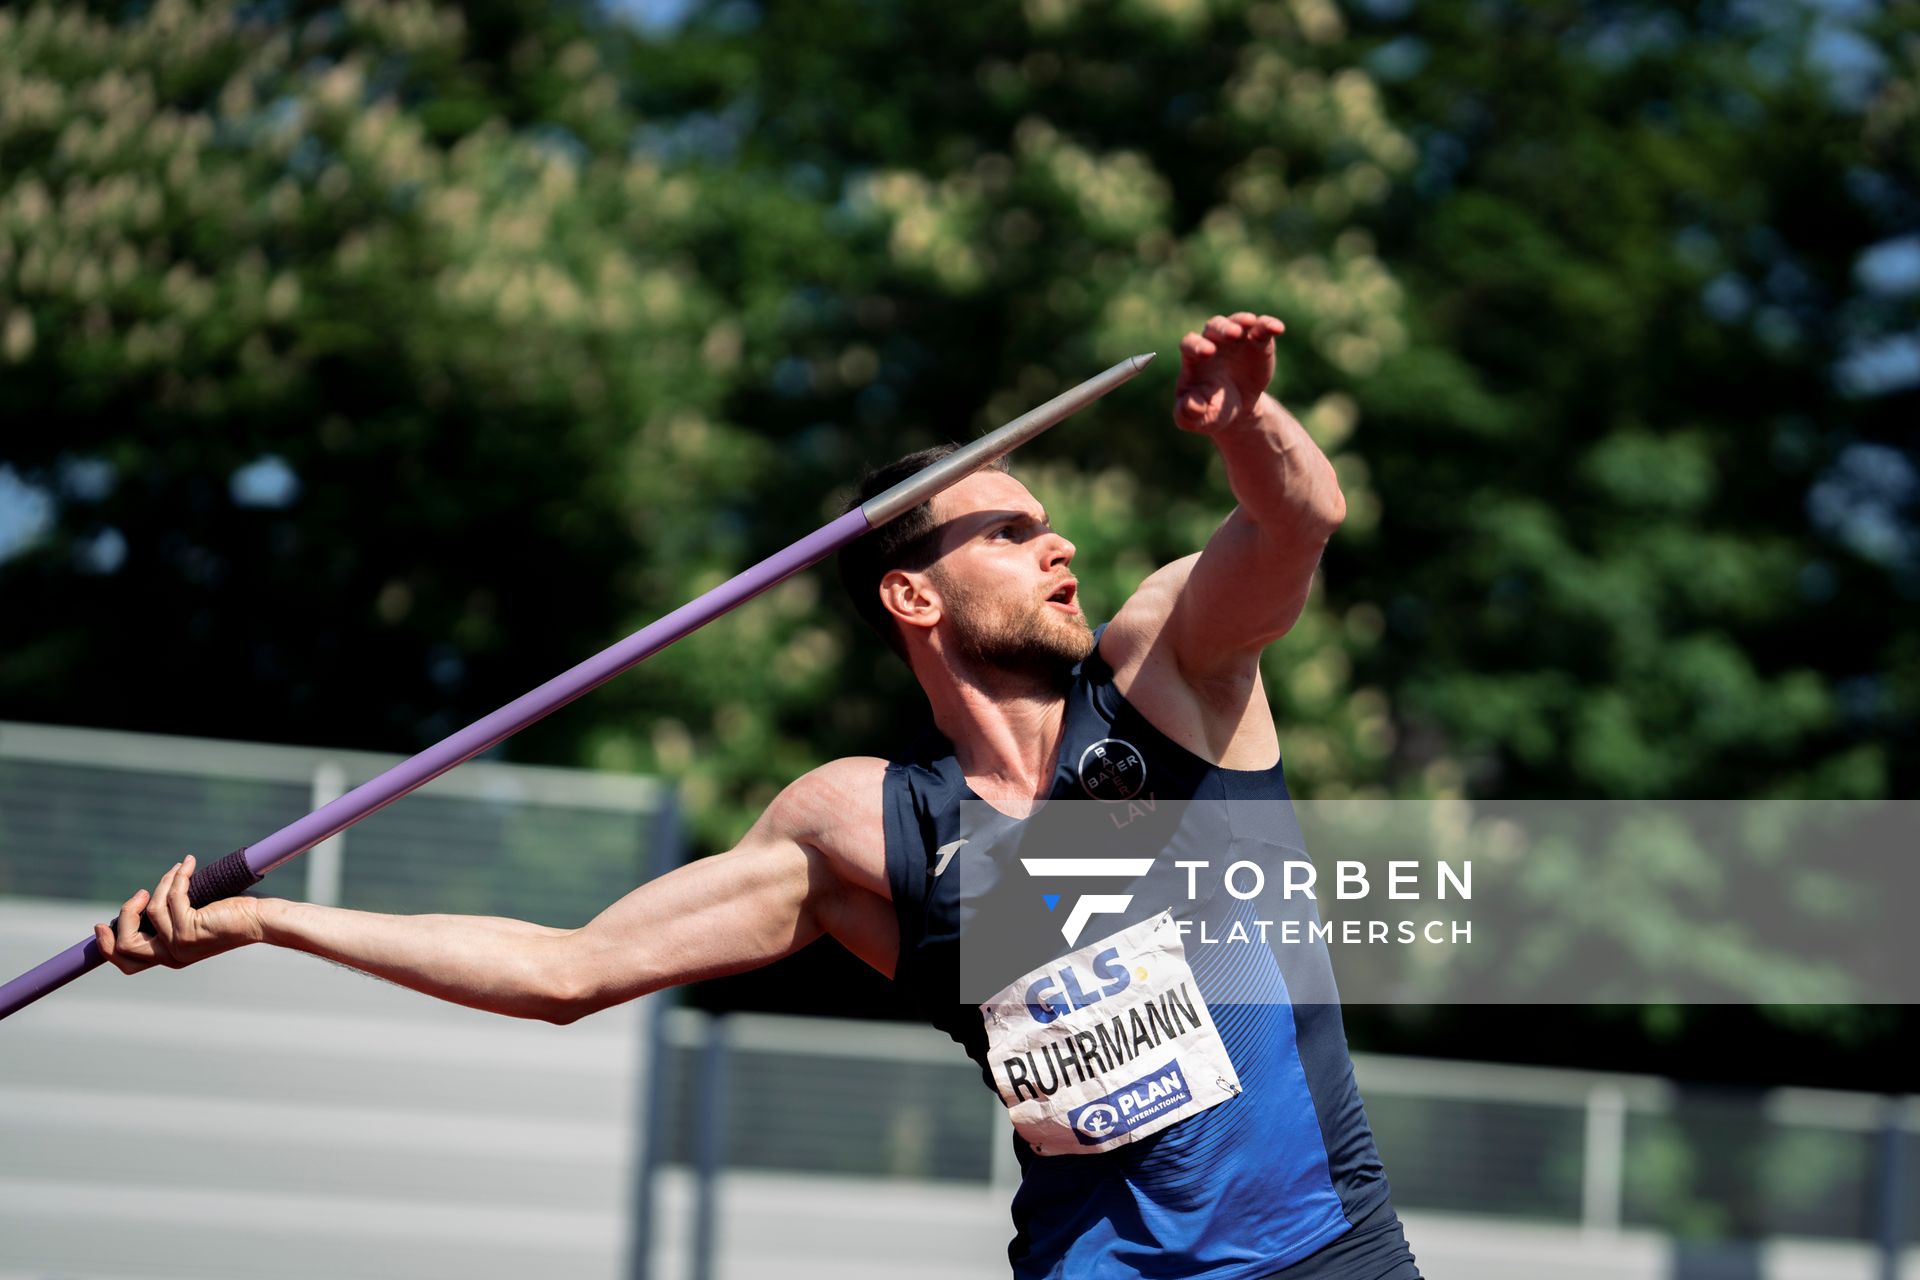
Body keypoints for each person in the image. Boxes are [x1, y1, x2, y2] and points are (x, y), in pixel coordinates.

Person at [97, 312, 1420, 1280]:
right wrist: (276, 924)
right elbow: (569, 970)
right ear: (915, 595)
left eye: (1047, 519)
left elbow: (1295, 523)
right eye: (1008, 532)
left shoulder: (1170, 674)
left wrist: (1249, 420)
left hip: (1327, 1258)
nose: (1057, 540)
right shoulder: (862, 829)